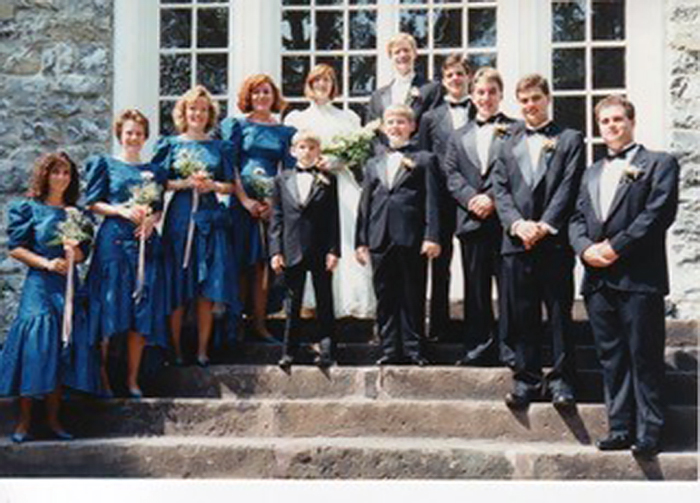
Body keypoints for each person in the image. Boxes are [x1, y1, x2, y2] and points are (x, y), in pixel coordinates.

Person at [569, 95, 679, 459]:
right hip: (598, 281)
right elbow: (577, 219)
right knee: (611, 358)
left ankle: (649, 432)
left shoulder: (659, 164)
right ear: (598, 128)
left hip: (638, 277)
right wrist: (585, 249)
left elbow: (657, 214)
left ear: (632, 121)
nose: (612, 126)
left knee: (643, 356)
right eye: (605, 121)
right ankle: (620, 427)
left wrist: (616, 247)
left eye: (618, 119)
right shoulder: (592, 171)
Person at [492, 74, 584, 409]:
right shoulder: (505, 142)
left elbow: (568, 186)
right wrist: (517, 224)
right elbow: (499, 189)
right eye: (524, 100)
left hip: (553, 243)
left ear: (547, 98)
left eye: (535, 98)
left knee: (559, 313)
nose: (530, 106)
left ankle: (562, 382)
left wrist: (544, 225)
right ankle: (526, 379)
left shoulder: (570, 138)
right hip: (516, 242)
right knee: (521, 314)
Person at [0, 152, 98, 442]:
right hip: (40, 285)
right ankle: (24, 422)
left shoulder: (76, 214)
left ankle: (54, 421)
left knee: (60, 347)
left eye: (66, 173)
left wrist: (72, 251)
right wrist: (46, 263)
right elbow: (16, 248)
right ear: (45, 176)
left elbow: (83, 254)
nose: (61, 178)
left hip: (66, 286)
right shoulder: (28, 209)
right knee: (36, 347)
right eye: (56, 172)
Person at [153, 85, 239, 367]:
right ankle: (176, 350)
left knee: (206, 287)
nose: (197, 114)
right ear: (183, 112)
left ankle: (202, 350)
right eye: (192, 108)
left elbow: (229, 186)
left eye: (203, 109)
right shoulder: (170, 145)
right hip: (180, 217)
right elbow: (158, 181)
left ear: (209, 114)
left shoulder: (220, 147)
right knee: (179, 285)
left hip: (210, 218)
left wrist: (211, 185)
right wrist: (185, 183)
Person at [85, 109, 168, 398]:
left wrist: (150, 221)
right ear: (120, 134)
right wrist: (120, 209)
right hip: (113, 244)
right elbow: (93, 202)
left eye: (139, 133)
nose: (133, 137)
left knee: (140, 311)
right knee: (110, 308)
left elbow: (158, 207)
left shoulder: (155, 171)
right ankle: (104, 376)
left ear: (145, 136)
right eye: (128, 132)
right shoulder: (106, 164)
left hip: (143, 244)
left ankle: (133, 380)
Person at [284, 64, 376, 318]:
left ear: (334, 85)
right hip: (310, 188)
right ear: (309, 85)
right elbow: (294, 154)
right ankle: (309, 304)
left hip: (341, 185)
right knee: (313, 240)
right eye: (317, 80)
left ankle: (348, 303)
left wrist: (338, 162)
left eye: (327, 80)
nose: (322, 85)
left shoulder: (348, 117)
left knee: (345, 241)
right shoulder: (297, 118)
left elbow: (358, 156)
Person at [355, 104, 441, 366]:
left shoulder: (425, 159)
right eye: (391, 122)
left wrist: (432, 235)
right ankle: (390, 348)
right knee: (385, 293)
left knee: (412, 292)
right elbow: (365, 204)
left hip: (411, 235)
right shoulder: (373, 163)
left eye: (401, 122)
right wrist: (361, 240)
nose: (395, 127)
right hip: (379, 234)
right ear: (383, 127)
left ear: (412, 127)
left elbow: (432, 201)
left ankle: (415, 349)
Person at [442, 67, 516, 363]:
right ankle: (478, 347)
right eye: (481, 92)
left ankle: (511, 349)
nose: (486, 98)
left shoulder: (516, 130)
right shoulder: (458, 137)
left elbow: (519, 173)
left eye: (491, 92)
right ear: (472, 96)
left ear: (500, 94)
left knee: (509, 288)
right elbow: (451, 173)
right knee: (475, 288)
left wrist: (494, 200)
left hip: (505, 221)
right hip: (471, 220)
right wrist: (472, 198)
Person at [217, 74, 296, 343]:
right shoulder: (237, 126)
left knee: (264, 264)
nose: (261, 97)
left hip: (271, 206)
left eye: (266, 92)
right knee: (240, 262)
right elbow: (232, 166)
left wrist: (274, 203)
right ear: (248, 97)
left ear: (274, 96)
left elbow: (287, 170)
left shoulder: (285, 132)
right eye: (256, 92)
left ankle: (260, 323)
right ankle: (235, 323)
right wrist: (244, 200)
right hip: (242, 205)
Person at [269, 130, 340, 370]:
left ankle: (328, 350)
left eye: (312, 147)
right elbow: (277, 218)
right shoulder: (281, 179)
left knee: (324, 301)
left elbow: (333, 218)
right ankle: (289, 352)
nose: (307, 152)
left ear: (318, 151)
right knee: (293, 303)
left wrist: (334, 250)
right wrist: (275, 251)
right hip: (292, 248)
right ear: (293, 151)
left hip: (320, 249)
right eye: (302, 147)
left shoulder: (328, 179)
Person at [418, 54, 475, 341]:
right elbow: (426, 160)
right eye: (450, 74)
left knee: (473, 262)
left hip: (471, 198)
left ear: (469, 77)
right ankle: (438, 325)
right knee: (439, 262)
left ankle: (474, 326)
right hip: (439, 197)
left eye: (460, 74)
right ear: (443, 80)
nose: (455, 79)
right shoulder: (430, 117)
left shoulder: (480, 110)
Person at [366, 32, 442, 131]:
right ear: (391, 57)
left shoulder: (432, 90)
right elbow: (372, 133)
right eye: (397, 52)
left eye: (406, 50)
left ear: (414, 54)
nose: (402, 55)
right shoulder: (377, 97)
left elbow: (434, 128)